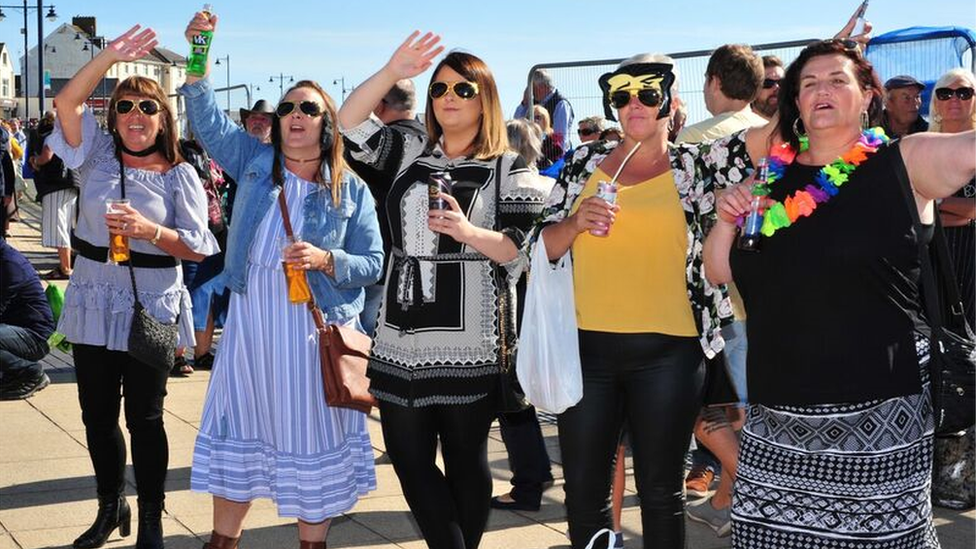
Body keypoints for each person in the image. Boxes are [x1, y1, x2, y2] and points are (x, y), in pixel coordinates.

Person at [703, 38, 976, 548]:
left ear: (868, 94)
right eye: (808, 83)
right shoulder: (770, 174)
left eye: (837, 80)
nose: (821, 90)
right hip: (775, 418)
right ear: (795, 102)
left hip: (877, 418)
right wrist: (724, 220)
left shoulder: (905, 162)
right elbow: (720, 272)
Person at [338, 32, 552, 549]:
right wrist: (392, 70)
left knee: (464, 460)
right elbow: (348, 122)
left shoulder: (511, 166)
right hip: (401, 328)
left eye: (462, 89)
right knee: (409, 459)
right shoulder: (409, 149)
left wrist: (468, 232)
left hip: (471, 335)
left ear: (486, 99)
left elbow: (519, 250)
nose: (448, 98)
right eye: (439, 89)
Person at [528, 53, 750, 549]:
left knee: (660, 492)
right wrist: (574, 222)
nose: (634, 105)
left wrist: (830, 60)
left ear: (670, 103)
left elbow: (777, 135)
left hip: (671, 352)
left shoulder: (698, 164)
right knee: (584, 493)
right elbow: (538, 248)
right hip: (585, 351)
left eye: (647, 95)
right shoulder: (585, 162)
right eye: (622, 96)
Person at [181, 12, 382, 549]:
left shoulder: (349, 187)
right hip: (250, 329)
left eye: (308, 108)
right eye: (287, 107)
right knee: (238, 438)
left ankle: (310, 545)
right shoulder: (253, 159)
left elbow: (374, 262)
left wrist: (327, 259)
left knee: (307, 442)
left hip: (311, 337)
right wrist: (200, 50)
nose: (294, 115)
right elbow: (204, 118)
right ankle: (222, 543)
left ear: (327, 124)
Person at [49, 25, 219, 549]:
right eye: (125, 107)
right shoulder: (96, 155)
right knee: (96, 414)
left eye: (148, 108)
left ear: (163, 119)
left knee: (145, 418)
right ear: (113, 116)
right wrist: (109, 58)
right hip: (94, 295)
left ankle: (151, 517)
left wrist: (151, 232)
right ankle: (108, 506)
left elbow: (199, 247)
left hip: (151, 302)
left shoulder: (179, 175)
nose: (136, 117)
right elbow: (66, 101)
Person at [490, 117, 556, 514]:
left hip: (513, 303)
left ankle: (529, 481)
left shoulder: (505, 189)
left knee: (511, 397)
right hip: (550, 302)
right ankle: (534, 474)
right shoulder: (553, 186)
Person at [343, 78, 426, 337]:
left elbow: (349, 123)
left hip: (379, 261)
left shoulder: (379, 147)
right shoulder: (437, 146)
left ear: (379, 106)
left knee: (367, 345)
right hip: (425, 265)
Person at [928, 68, 976, 511]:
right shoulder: (924, 147)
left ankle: (964, 478)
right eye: (946, 92)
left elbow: (970, 210)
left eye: (964, 92)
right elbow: (913, 208)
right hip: (933, 274)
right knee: (942, 372)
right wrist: (954, 210)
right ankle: (943, 476)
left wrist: (938, 205)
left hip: (973, 273)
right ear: (936, 101)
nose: (955, 99)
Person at [677, 44, 766, 144]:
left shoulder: (692, 136)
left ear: (716, 83)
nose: (704, 89)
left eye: (706, 78)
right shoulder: (773, 133)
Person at [0, 238, 54, 400]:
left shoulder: (11, 265)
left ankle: (31, 373)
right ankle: (13, 374)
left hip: (36, 336)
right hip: (12, 329)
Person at [32, 112, 79, 280]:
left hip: (55, 185)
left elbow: (46, 157)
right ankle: (66, 265)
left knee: (58, 227)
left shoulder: (52, 135)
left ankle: (66, 268)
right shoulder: (68, 135)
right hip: (71, 183)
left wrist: (35, 161)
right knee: (66, 226)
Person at [515, 69, 575, 152]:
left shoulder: (560, 104)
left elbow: (561, 137)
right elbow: (516, 126)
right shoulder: (531, 103)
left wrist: (557, 158)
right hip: (534, 153)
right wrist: (524, 103)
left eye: (532, 88)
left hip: (554, 156)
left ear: (541, 87)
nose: (531, 92)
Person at [751, 56, 784, 120]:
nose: (776, 87)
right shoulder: (740, 126)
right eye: (768, 83)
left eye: (781, 83)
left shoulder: (798, 125)